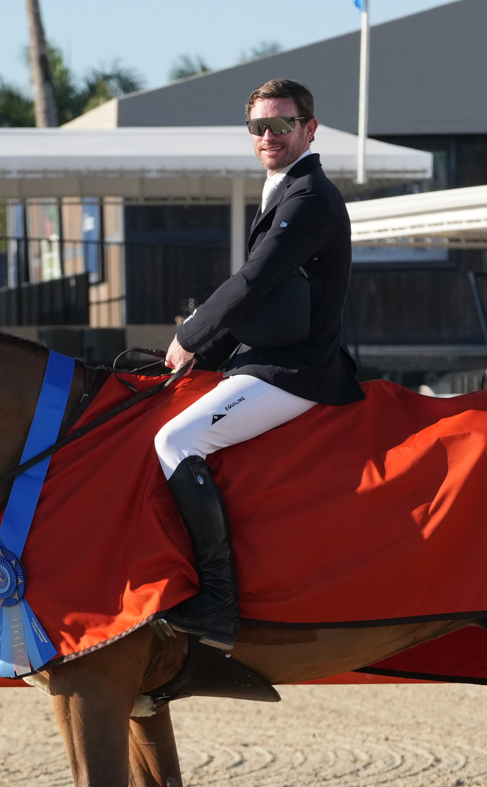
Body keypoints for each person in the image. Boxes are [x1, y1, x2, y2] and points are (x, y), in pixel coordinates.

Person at [156, 77, 364, 651]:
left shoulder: (310, 197)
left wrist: (190, 335)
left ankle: (218, 605)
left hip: (297, 372)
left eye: (282, 124)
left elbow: (254, 282)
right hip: (261, 361)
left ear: (310, 129)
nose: (269, 135)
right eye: (259, 127)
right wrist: (193, 361)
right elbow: (263, 303)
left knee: (176, 442)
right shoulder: (280, 190)